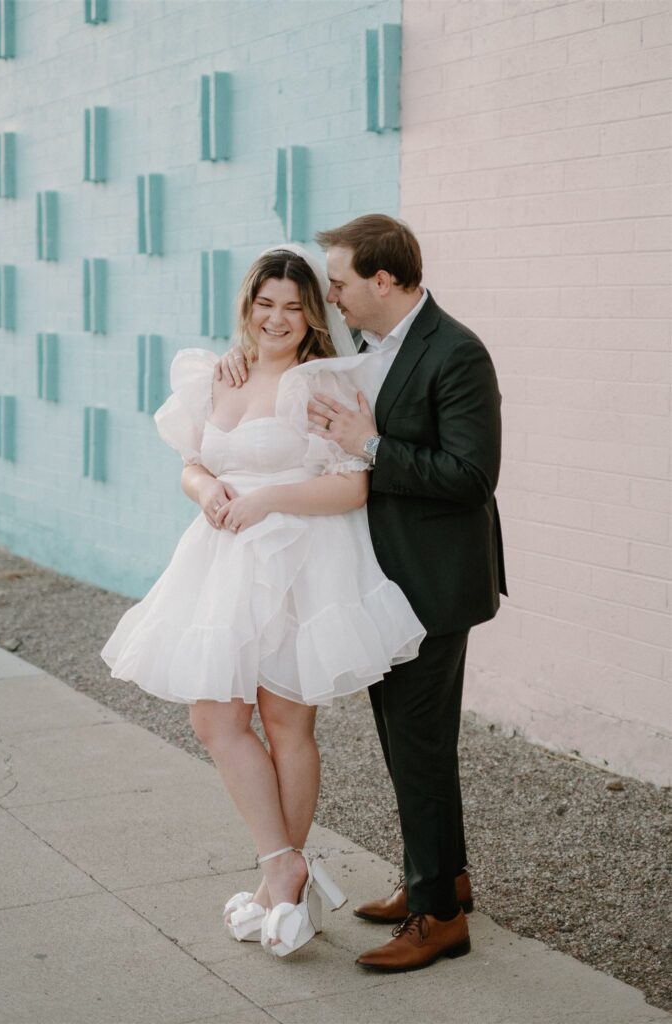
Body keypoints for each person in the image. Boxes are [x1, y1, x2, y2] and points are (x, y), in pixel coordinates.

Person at [101, 244, 425, 959]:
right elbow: (192, 461)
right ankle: (283, 862)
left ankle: (280, 884)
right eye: (264, 303)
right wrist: (208, 490)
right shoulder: (222, 374)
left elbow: (353, 484)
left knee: (284, 719)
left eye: (291, 305)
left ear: (310, 312)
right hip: (221, 560)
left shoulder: (324, 385)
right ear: (248, 304)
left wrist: (267, 499)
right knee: (216, 717)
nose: (276, 318)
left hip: (300, 561)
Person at [216, 215, 506, 972]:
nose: (330, 295)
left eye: (338, 282)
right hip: (386, 582)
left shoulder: (455, 351)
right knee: (408, 745)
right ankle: (440, 880)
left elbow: (472, 478)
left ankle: (438, 917)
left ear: (383, 281)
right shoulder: (373, 348)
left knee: (417, 748)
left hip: (434, 582)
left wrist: (369, 448)